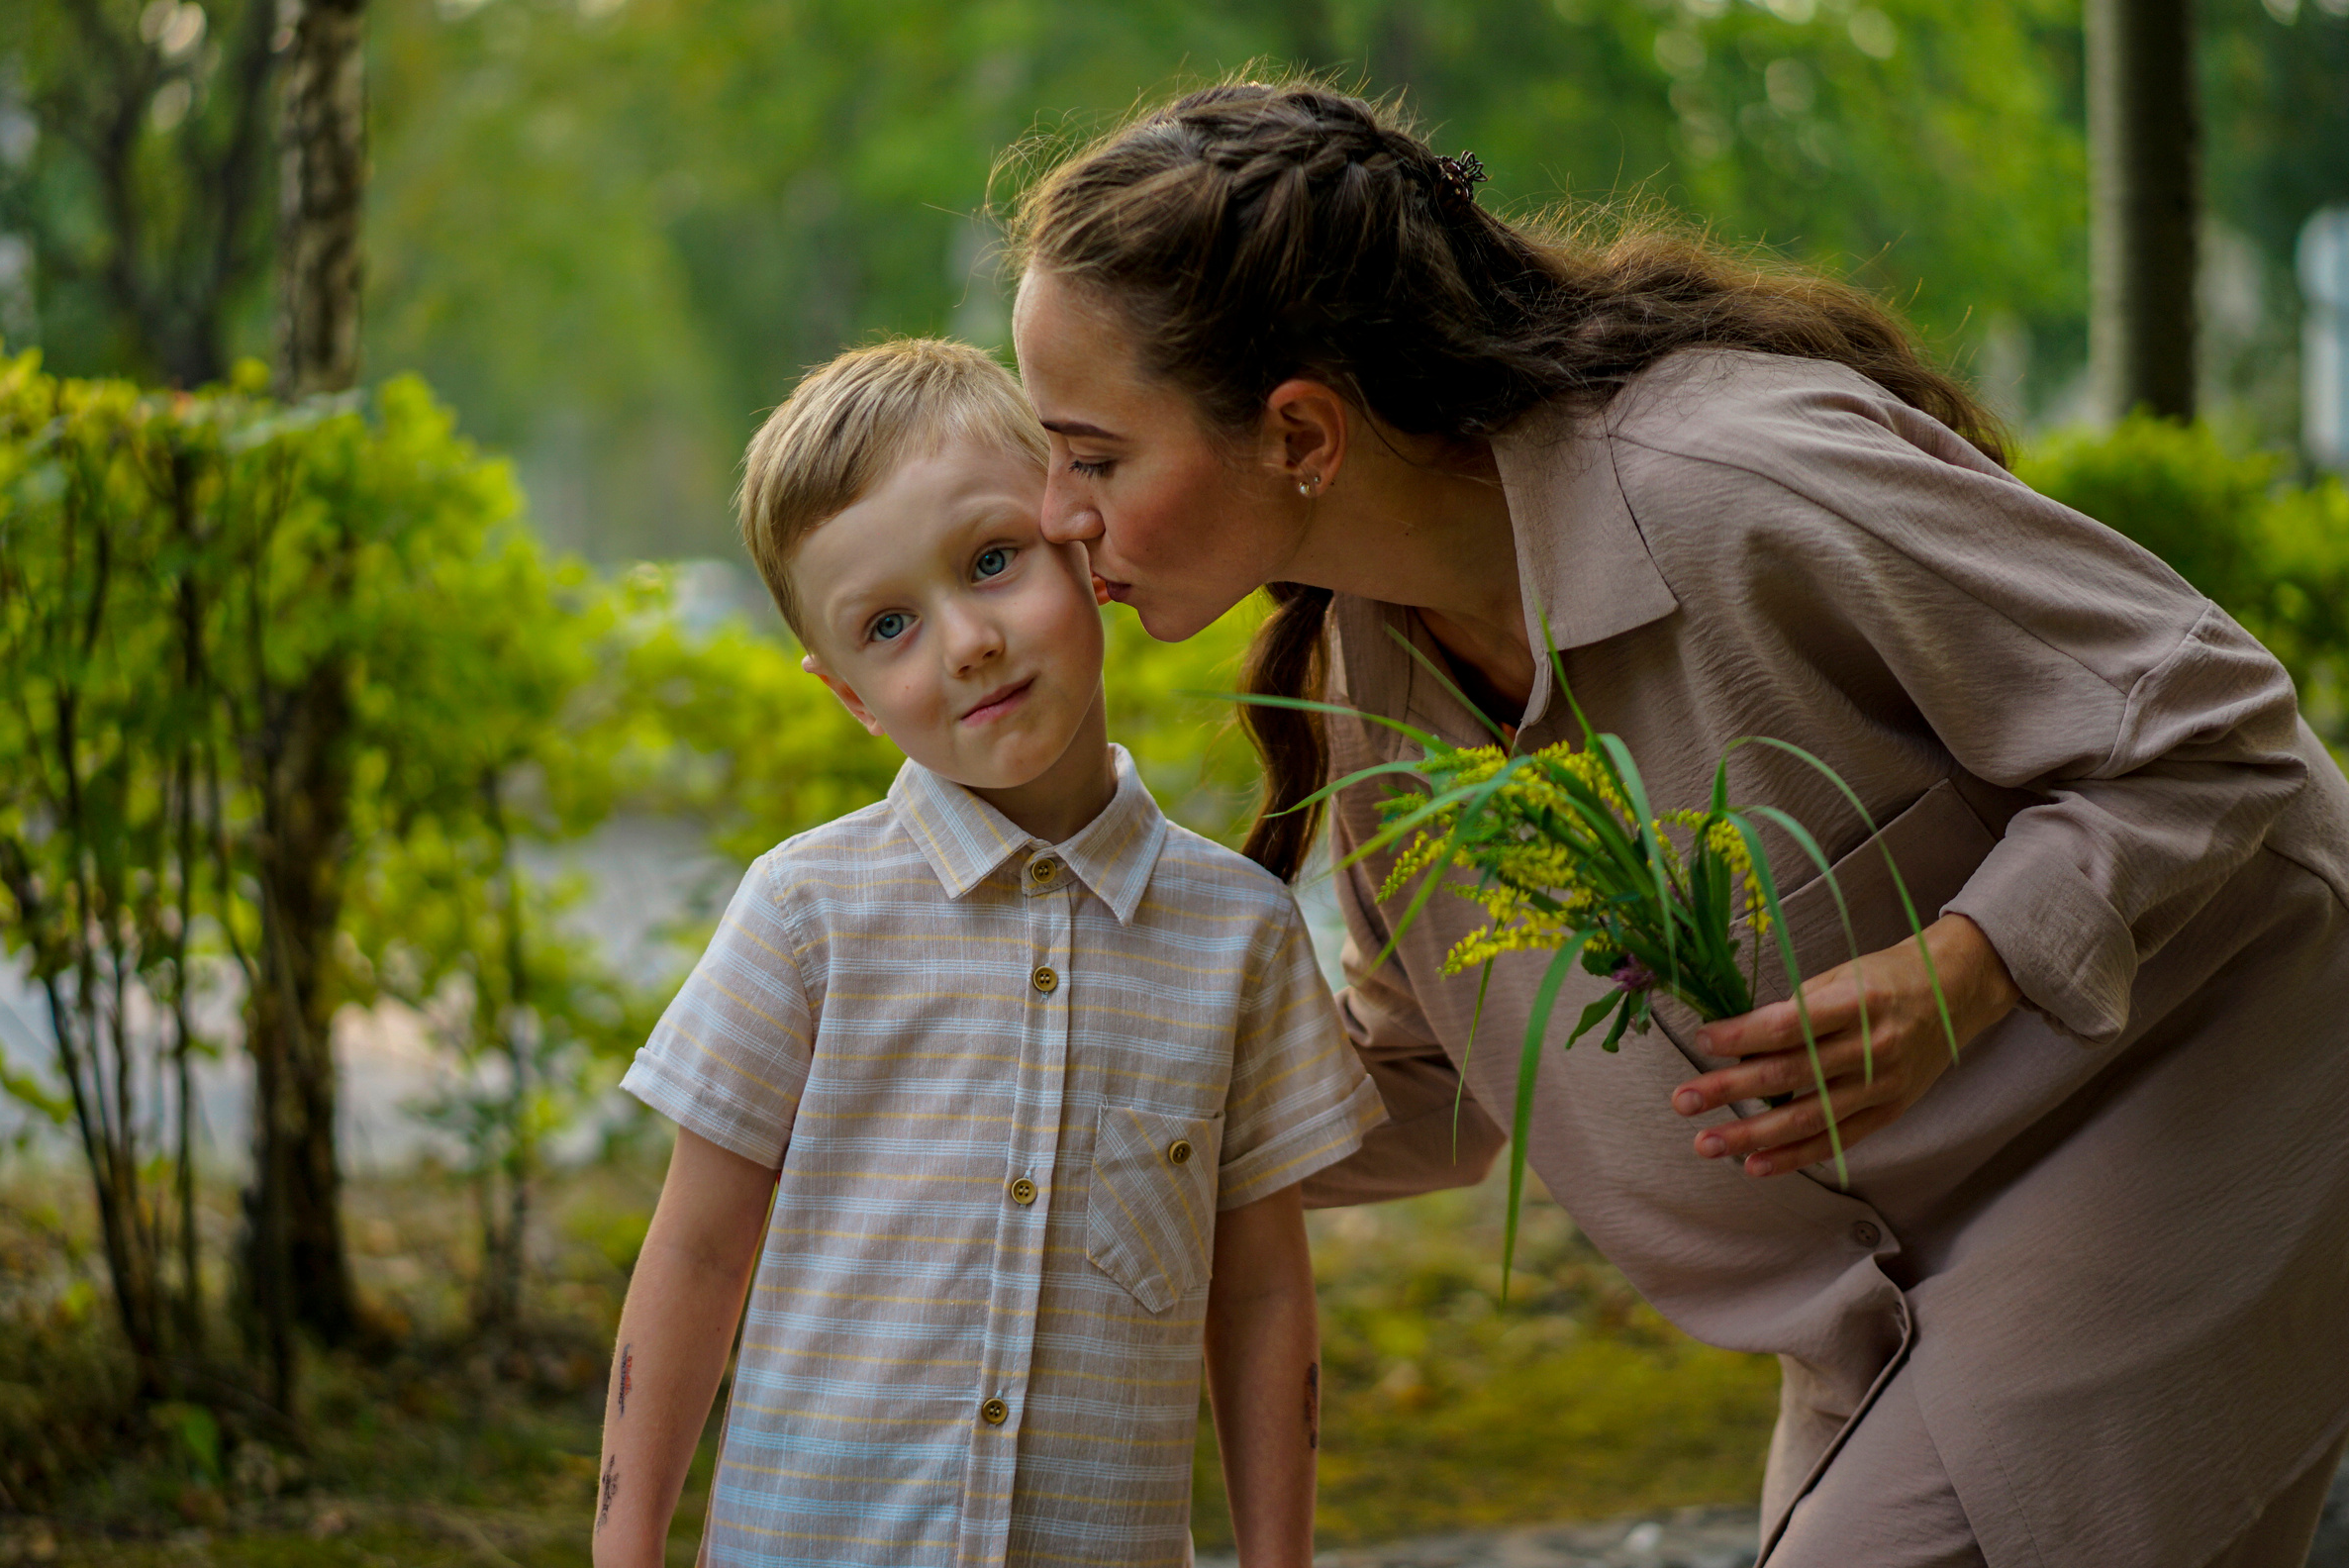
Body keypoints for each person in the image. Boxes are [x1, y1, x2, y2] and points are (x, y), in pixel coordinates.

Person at [1006, 81, 2349, 1568]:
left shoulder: (1737, 482)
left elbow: (2210, 723)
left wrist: (1963, 964)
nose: (1058, 511)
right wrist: (1085, 1118)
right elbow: (1445, 1079)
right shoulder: (1371, 674)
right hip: (1883, 1281)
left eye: (1095, 456)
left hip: (2199, 1101)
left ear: (1301, 431)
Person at [590, 338, 1386, 1568]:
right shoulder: (807, 912)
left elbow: (1263, 1290)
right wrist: (623, 1545)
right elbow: (696, 1247)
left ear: (1088, 543)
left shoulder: (1238, 936)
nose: (964, 642)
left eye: (993, 561)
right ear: (850, 695)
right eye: (891, 625)